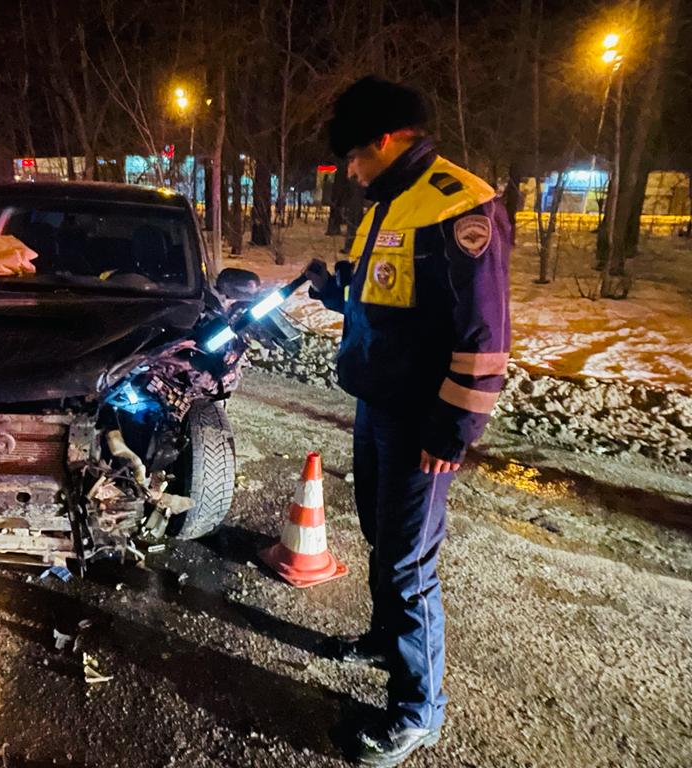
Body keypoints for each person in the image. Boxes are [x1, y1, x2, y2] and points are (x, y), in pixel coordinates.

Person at [305, 76, 511, 767]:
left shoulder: (459, 205)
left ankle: (419, 709)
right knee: (379, 535)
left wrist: (453, 430)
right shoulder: (388, 205)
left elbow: (483, 335)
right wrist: (335, 292)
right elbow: (389, 302)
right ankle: (384, 638)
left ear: (388, 140)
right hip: (377, 404)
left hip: (425, 420)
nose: (352, 171)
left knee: (409, 562)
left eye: (357, 157)